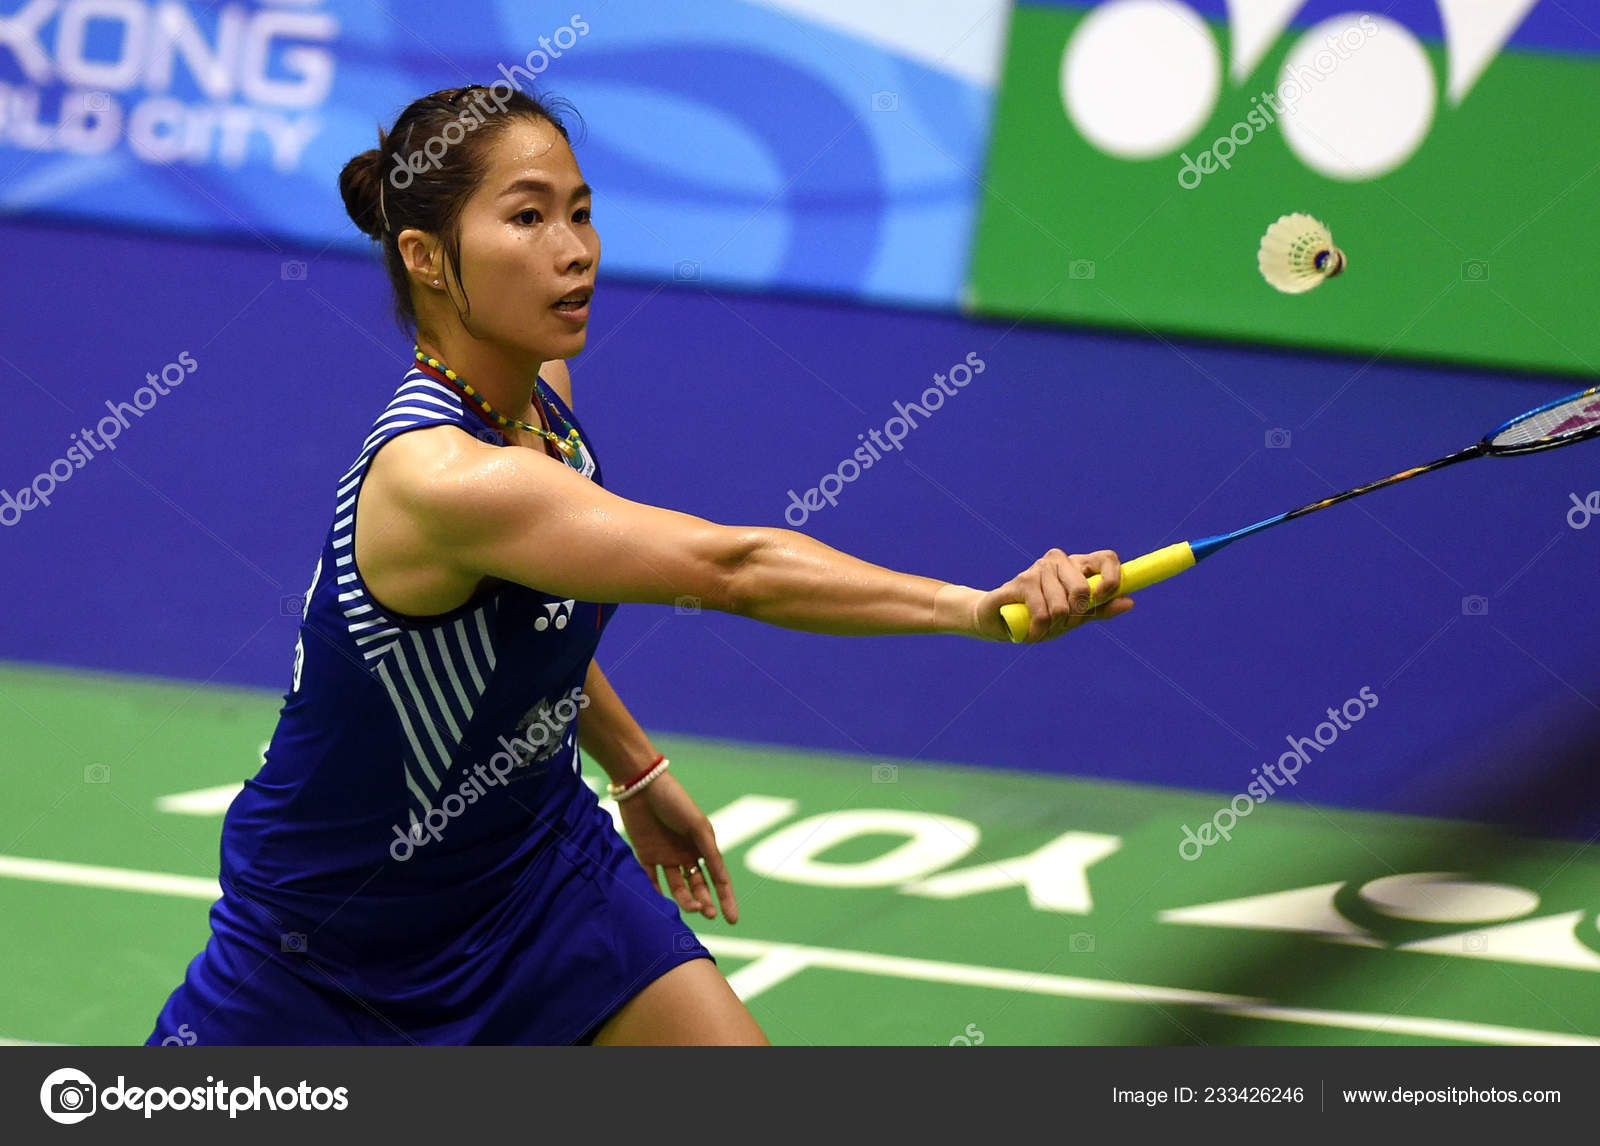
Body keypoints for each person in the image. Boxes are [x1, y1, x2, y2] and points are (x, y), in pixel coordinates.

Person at [144, 85, 1132, 1048]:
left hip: (536, 875)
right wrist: (975, 608)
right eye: (527, 218)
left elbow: (533, 621)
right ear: (425, 257)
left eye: (579, 212)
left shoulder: (542, 399)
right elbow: (733, 568)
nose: (574, 249)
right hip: (331, 949)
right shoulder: (443, 480)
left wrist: (632, 765)